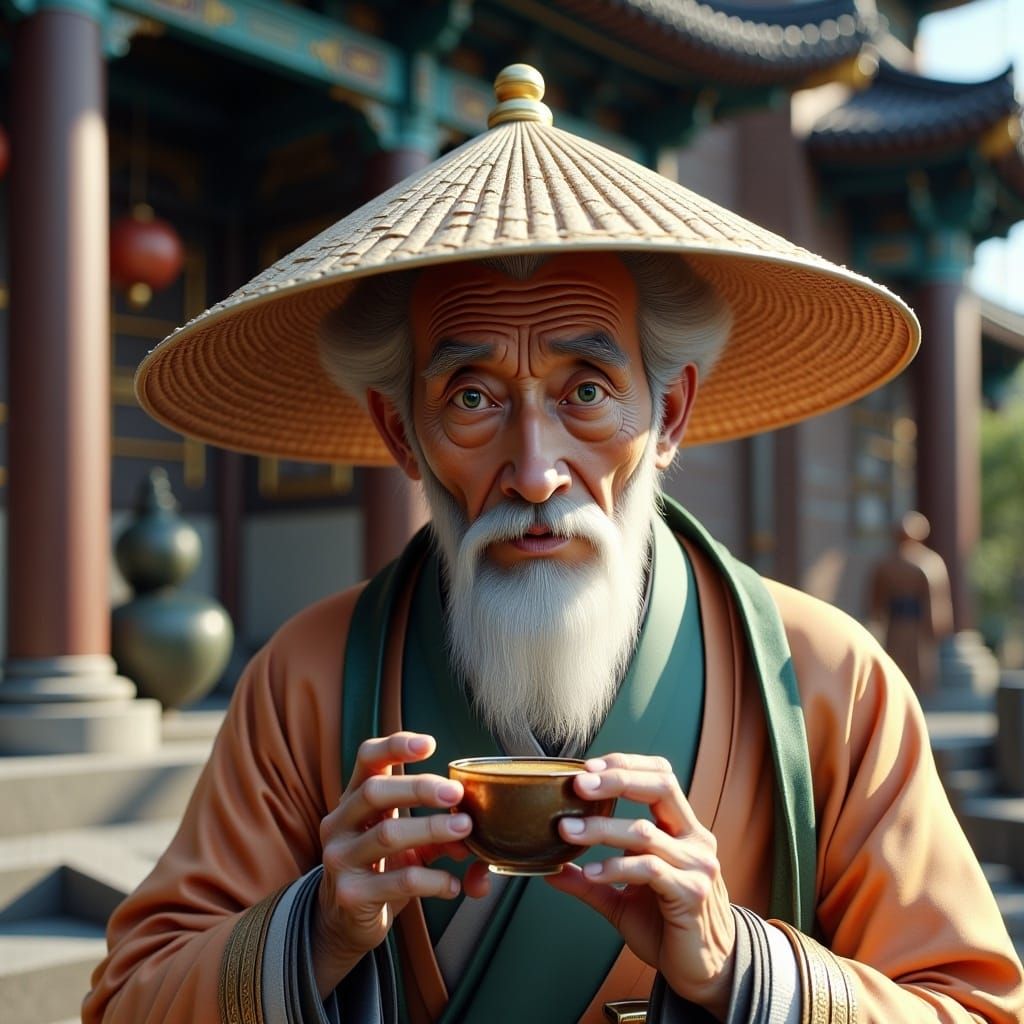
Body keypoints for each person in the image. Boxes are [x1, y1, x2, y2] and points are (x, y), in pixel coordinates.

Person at [84, 65, 1024, 1023]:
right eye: (473, 398)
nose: (536, 470)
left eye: (585, 391)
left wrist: (739, 964)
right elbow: (129, 1000)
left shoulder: (827, 679)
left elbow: (973, 1005)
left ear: (669, 412)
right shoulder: (307, 680)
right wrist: (315, 929)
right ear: (401, 433)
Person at [867, 511, 954, 695]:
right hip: (898, 625)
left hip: (916, 626)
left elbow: (936, 597)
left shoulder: (927, 562)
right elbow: (877, 596)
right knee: (898, 666)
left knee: (917, 667)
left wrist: (935, 625)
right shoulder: (890, 563)